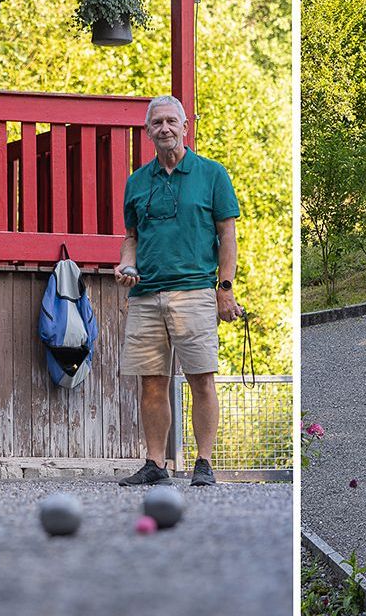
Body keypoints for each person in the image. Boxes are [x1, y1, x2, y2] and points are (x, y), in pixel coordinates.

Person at [115, 95, 243, 487]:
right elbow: (131, 238)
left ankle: (203, 463)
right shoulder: (137, 182)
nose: (165, 128)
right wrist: (126, 264)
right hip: (146, 296)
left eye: (172, 121)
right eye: (158, 123)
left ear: (186, 127)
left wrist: (225, 288)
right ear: (147, 131)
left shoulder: (212, 174)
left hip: (194, 292)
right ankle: (156, 463)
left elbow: (227, 235)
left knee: (201, 378)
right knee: (151, 380)